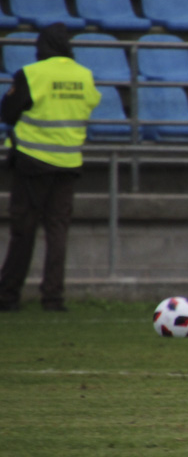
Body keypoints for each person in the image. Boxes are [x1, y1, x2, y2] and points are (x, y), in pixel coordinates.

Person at [0, 24, 101, 312]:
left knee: (24, 229)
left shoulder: (31, 74)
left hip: (32, 162)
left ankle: (8, 295)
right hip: (68, 163)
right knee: (57, 230)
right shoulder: (84, 75)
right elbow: (91, 103)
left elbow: (8, 112)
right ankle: (53, 298)